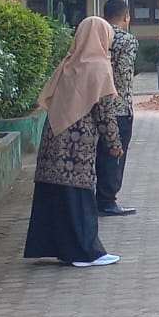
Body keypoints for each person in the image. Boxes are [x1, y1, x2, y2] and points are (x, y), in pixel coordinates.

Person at [22, 17, 124, 267]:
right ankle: (85, 253)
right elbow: (104, 112)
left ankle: (63, 249)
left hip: (53, 137)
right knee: (78, 196)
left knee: (57, 194)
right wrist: (114, 144)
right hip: (76, 145)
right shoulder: (99, 67)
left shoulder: (69, 62)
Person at [95, 0, 138, 217]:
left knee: (97, 154)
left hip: (93, 105)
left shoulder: (94, 36)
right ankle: (107, 200)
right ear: (126, 17)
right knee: (114, 155)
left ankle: (95, 197)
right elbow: (123, 75)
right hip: (118, 108)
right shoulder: (126, 40)